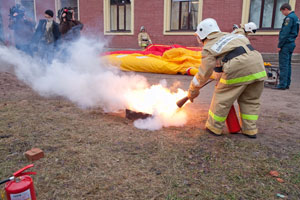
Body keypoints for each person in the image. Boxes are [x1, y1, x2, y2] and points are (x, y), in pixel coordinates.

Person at [187, 18, 267, 138]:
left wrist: (192, 91)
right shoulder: (231, 36)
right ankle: (250, 130)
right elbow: (241, 31)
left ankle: (214, 127)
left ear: (203, 35)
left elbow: (203, 74)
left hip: (238, 68)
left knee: (222, 98)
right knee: (250, 101)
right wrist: (245, 27)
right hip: (258, 67)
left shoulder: (209, 47)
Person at [275, 3, 299, 90]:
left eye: (282, 12)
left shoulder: (289, 18)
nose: (283, 14)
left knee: (283, 65)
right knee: (288, 64)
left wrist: (279, 45)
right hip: (291, 43)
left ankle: (282, 85)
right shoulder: (296, 17)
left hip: (286, 44)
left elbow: (285, 33)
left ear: (285, 9)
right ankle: (287, 83)